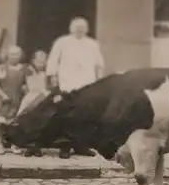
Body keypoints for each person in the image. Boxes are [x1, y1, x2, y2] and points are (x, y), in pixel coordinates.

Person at [46, 17, 104, 159]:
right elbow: (53, 60)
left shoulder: (93, 44)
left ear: (86, 29)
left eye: (82, 27)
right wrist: (54, 79)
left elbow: (99, 64)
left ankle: (81, 146)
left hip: (87, 84)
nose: (79, 30)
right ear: (71, 28)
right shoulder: (62, 42)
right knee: (66, 116)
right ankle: (65, 147)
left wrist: (99, 82)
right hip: (67, 83)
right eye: (77, 27)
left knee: (85, 116)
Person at [0, 45, 27, 155]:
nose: (14, 56)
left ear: (20, 56)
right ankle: (0, 144)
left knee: (16, 122)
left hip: (19, 98)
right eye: (12, 54)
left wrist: (26, 88)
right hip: (6, 98)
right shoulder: (2, 68)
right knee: (1, 121)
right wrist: (2, 94)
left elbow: (30, 81)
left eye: (17, 54)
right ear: (7, 55)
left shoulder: (24, 68)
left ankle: (14, 144)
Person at [18, 49, 50, 157]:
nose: (41, 62)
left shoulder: (48, 72)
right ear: (33, 60)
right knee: (28, 122)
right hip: (31, 97)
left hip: (43, 97)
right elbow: (22, 81)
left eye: (43, 60)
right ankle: (29, 147)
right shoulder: (28, 69)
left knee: (41, 123)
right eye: (38, 60)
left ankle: (37, 147)